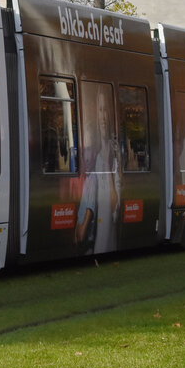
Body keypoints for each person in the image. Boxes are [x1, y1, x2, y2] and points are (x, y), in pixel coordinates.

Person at [76, 89, 121, 254]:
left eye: (105, 110)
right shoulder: (93, 152)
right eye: (100, 110)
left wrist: (108, 167)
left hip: (108, 239)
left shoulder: (115, 151)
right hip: (95, 241)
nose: (103, 116)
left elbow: (115, 205)